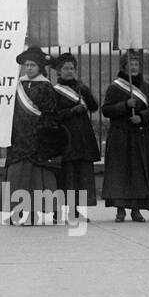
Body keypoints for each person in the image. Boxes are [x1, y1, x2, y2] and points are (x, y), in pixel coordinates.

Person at [4, 46, 64, 226]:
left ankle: (33, 213)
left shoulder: (46, 87)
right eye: (26, 65)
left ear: (40, 67)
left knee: (36, 179)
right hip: (18, 139)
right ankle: (17, 210)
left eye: (32, 65)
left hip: (37, 140)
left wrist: (42, 133)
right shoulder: (18, 85)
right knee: (18, 177)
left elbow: (51, 114)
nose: (28, 68)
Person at [100, 48, 149, 222]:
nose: (134, 67)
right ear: (124, 67)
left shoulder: (146, 88)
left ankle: (136, 209)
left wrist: (141, 116)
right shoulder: (115, 87)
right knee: (120, 172)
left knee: (138, 172)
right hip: (120, 135)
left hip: (140, 135)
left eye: (136, 64)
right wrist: (125, 106)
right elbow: (106, 110)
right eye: (130, 64)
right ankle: (120, 210)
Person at [51, 52, 99, 222]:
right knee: (68, 177)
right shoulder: (55, 91)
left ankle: (77, 210)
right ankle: (65, 211)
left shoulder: (80, 88)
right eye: (65, 68)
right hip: (66, 138)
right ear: (58, 71)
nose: (69, 71)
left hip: (82, 138)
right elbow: (53, 115)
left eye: (72, 68)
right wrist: (71, 111)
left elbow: (94, 107)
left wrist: (86, 92)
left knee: (80, 176)